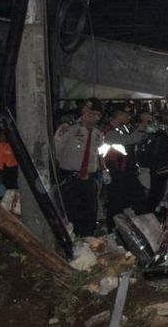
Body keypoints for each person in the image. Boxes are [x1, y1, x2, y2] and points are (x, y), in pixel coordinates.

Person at [54, 99, 106, 237]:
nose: (94, 117)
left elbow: (99, 154)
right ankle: (74, 240)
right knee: (72, 212)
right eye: (91, 113)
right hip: (71, 177)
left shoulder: (98, 134)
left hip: (90, 178)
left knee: (90, 212)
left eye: (98, 115)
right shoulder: (68, 128)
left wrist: (104, 170)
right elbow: (56, 150)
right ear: (83, 111)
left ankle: (87, 239)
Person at [102, 108, 146, 228]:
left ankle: (124, 226)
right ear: (119, 115)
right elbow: (130, 140)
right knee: (116, 201)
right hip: (115, 170)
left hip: (125, 170)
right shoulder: (109, 131)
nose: (129, 118)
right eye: (126, 115)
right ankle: (112, 228)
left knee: (130, 199)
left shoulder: (123, 129)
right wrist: (142, 126)